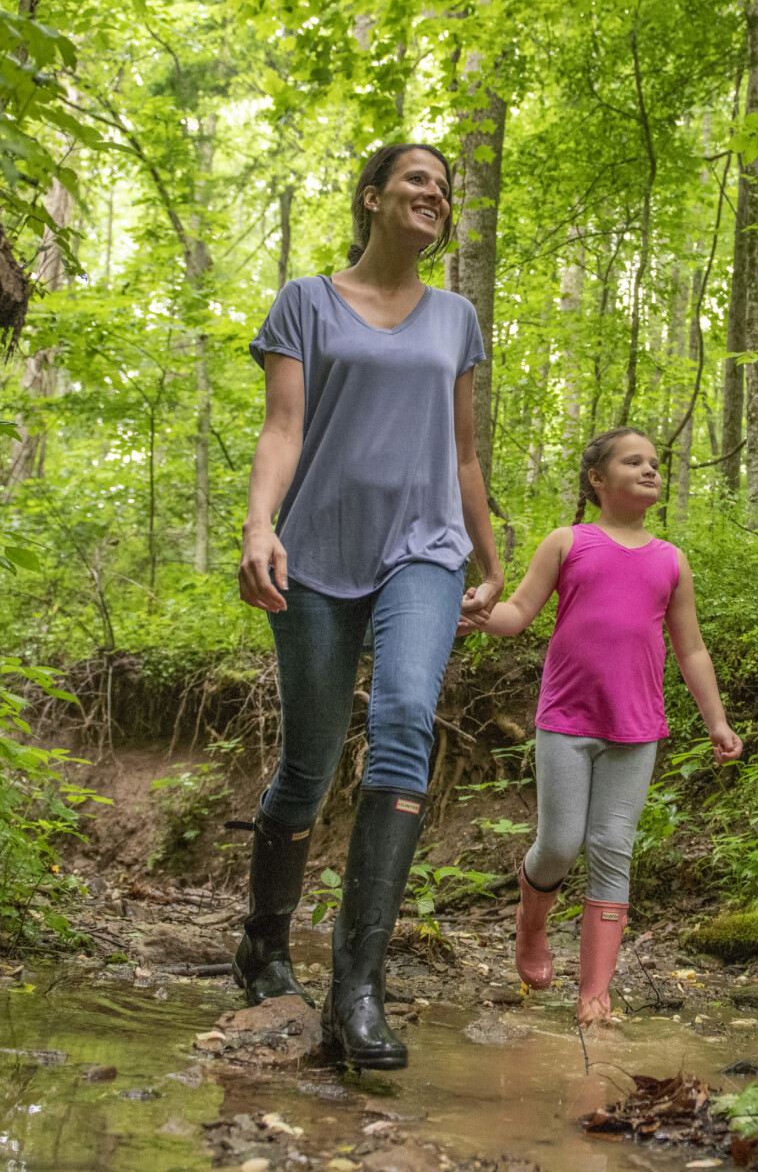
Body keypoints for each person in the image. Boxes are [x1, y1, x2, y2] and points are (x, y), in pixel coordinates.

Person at [234, 143, 503, 1070]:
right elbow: (282, 426)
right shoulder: (304, 301)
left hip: (422, 550)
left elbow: (464, 453)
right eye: (417, 180)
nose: (434, 193)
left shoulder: (457, 319)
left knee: (400, 724)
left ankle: (357, 989)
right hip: (313, 553)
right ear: (373, 197)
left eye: (444, 187)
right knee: (307, 767)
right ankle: (265, 941)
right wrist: (258, 524)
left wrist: (490, 553)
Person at [465, 427, 743, 1026]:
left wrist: (716, 721)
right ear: (597, 479)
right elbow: (517, 614)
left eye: (655, 463)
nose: (650, 470)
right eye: (633, 461)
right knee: (562, 843)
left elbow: (691, 650)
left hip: (636, 729)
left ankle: (594, 993)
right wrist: (479, 617)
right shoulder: (569, 543)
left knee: (613, 849)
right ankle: (531, 920)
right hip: (567, 720)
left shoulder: (671, 561)